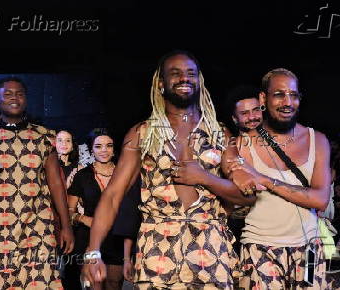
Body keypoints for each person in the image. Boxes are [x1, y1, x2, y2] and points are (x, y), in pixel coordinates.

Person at [82, 50, 260, 289]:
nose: (184, 78)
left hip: (211, 250)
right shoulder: (142, 134)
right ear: (161, 83)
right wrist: (93, 252)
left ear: (199, 81)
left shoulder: (220, 134)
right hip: (158, 251)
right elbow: (113, 195)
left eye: (190, 73)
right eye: (175, 74)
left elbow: (246, 196)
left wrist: (205, 178)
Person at [228, 68, 340, 289]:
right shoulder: (243, 144)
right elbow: (229, 168)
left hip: (310, 249)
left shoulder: (317, 140)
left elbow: (320, 199)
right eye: (279, 94)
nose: (287, 102)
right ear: (263, 98)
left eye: (293, 95)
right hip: (260, 248)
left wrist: (266, 180)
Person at [0, 77, 74, 289]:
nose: (14, 98)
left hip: (36, 224)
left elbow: (56, 184)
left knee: (39, 280)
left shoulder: (43, 136)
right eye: (7, 94)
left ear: (25, 99)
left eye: (19, 94)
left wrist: (66, 225)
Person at [65, 128, 140, 290]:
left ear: (114, 149)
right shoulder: (82, 176)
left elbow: (132, 213)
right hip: (89, 239)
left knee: (114, 284)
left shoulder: (126, 175)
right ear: (91, 149)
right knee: (95, 285)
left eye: (109, 145)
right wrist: (85, 219)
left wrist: (128, 257)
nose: (104, 150)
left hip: (118, 239)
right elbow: (68, 212)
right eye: (98, 146)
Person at [225, 85, 264, 255]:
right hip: (241, 222)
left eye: (256, 110)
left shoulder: (281, 145)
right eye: (245, 113)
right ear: (235, 119)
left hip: (275, 225)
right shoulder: (230, 147)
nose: (252, 117)